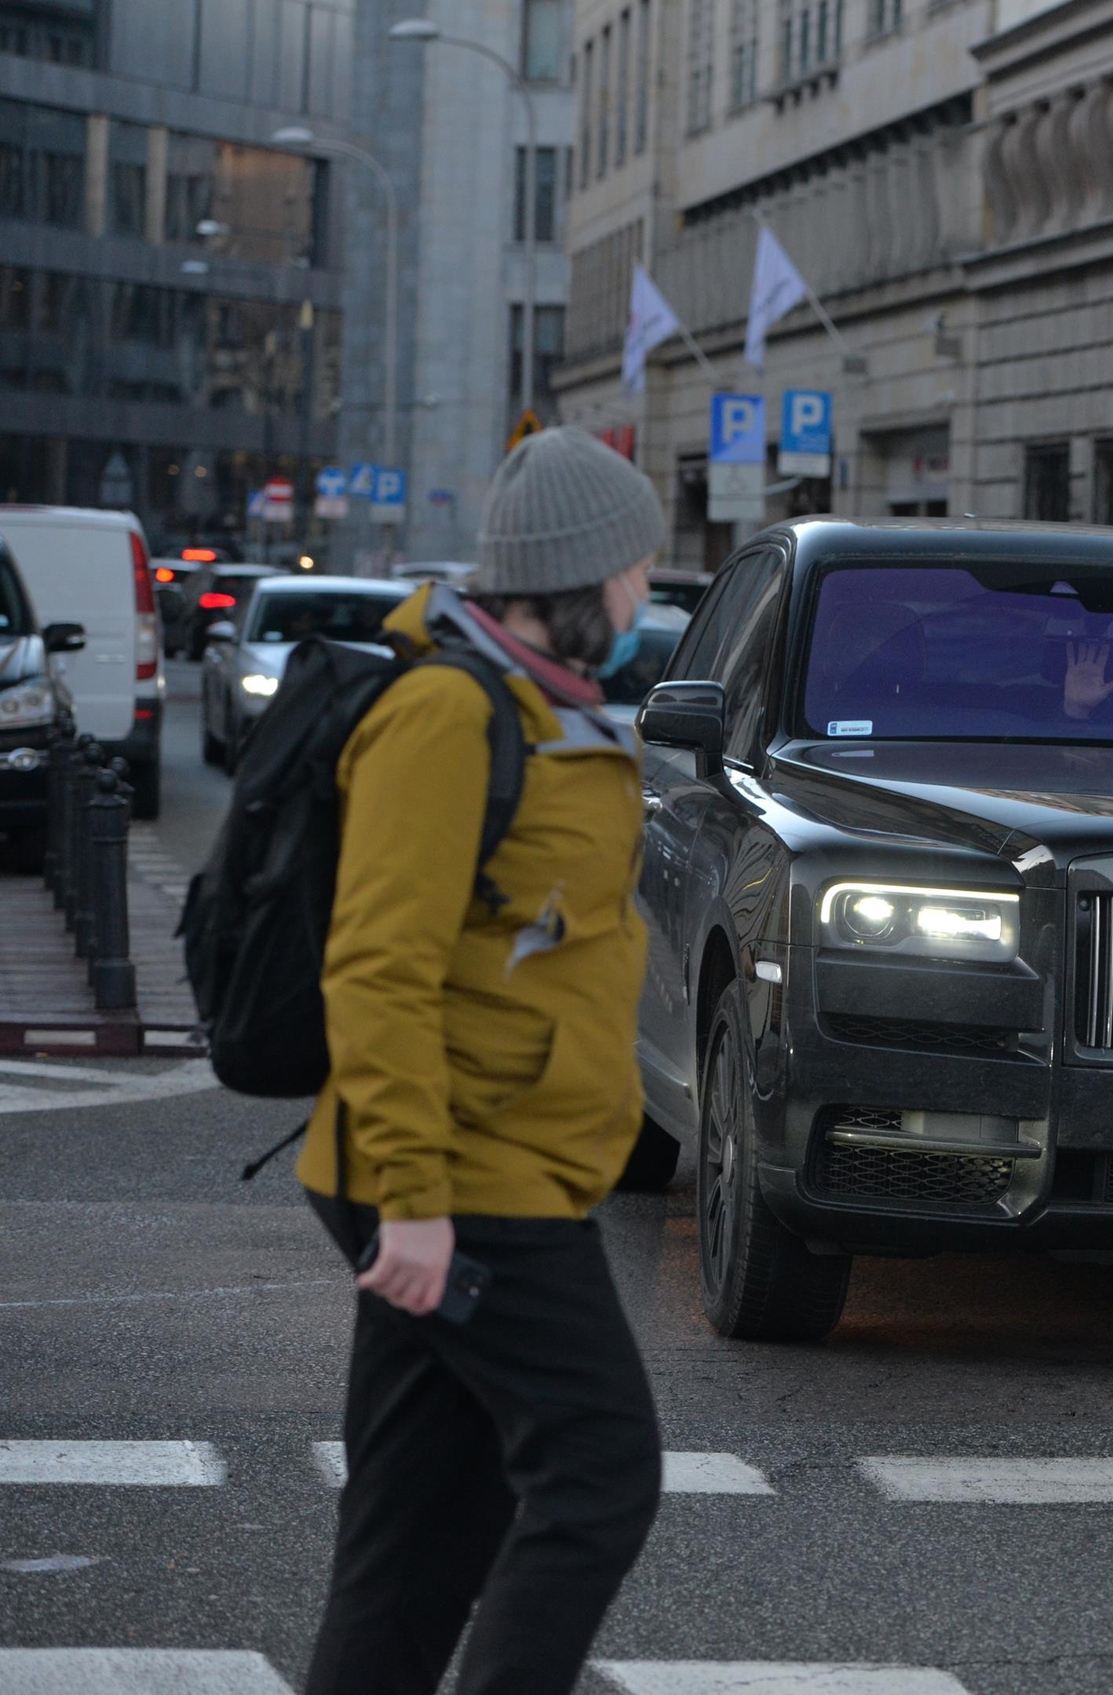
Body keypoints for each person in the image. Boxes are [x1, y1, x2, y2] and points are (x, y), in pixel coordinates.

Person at [298, 426, 666, 1695]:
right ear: (583, 577)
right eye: (636, 571)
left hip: (493, 1172)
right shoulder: (448, 714)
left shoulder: (537, 710)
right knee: (602, 1468)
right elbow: (376, 966)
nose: (644, 597)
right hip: (466, 1180)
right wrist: (411, 1197)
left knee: (415, 1548)